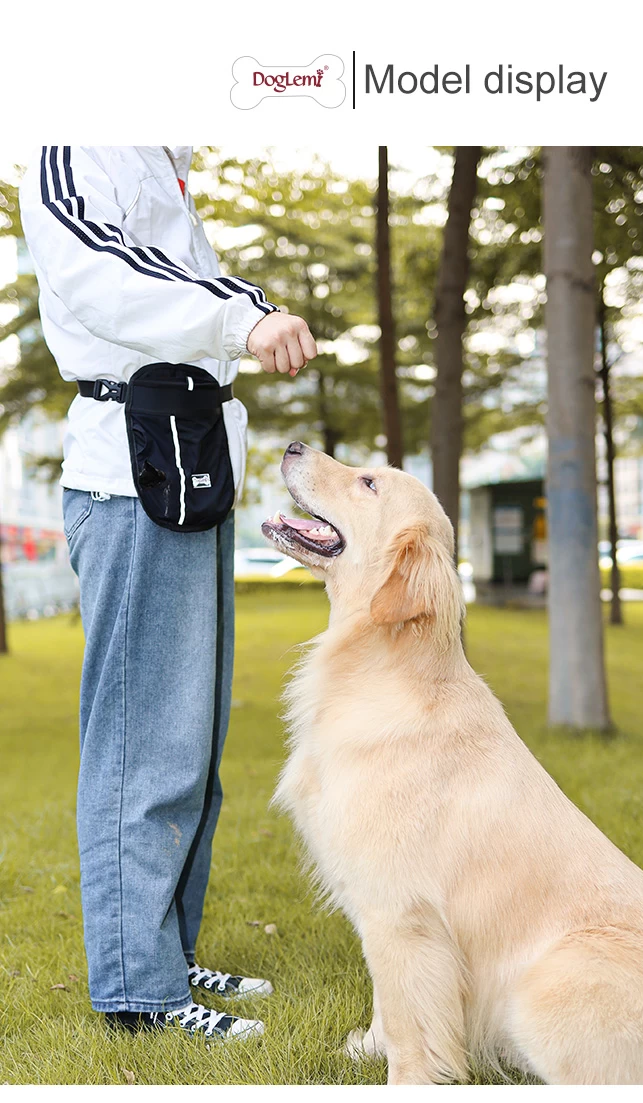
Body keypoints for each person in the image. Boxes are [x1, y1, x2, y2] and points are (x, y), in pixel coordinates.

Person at [19, 146, 317, 1041]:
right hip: (129, 471)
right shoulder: (74, 139)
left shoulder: (154, 149)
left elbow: (170, 274)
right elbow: (101, 270)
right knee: (140, 746)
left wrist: (234, 311)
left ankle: (165, 955)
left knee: (189, 745)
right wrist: (242, 313)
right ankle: (138, 993)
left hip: (187, 460)